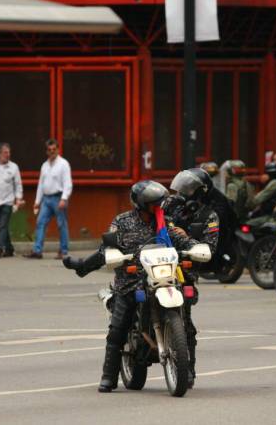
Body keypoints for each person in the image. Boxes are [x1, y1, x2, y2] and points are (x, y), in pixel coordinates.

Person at [63, 180, 198, 393]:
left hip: (163, 277)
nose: (158, 207)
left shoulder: (164, 221)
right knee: (118, 328)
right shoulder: (122, 222)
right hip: (131, 281)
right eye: (154, 203)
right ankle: (108, 376)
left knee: (187, 324)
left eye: (160, 203)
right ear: (141, 204)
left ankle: (186, 370)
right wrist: (107, 257)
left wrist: (195, 247)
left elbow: (180, 239)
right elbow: (106, 248)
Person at [167, 168, 219, 388]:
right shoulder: (170, 207)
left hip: (185, 270)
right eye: (182, 188)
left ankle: (187, 368)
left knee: (185, 321)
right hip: (157, 264)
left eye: (188, 189)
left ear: (200, 193)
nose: (182, 193)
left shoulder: (209, 216)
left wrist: (186, 238)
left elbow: (211, 248)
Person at [25, 139, 72, 260]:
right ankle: (37, 251)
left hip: (58, 197)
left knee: (61, 224)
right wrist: (37, 201)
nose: (52, 151)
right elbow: (41, 184)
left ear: (58, 149)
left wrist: (64, 198)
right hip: (46, 199)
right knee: (40, 223)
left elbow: (68, 183)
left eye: (54, 149)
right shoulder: (44, 165)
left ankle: (64, 251)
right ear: (46, 151)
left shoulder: (63, 164)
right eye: (49, 150)